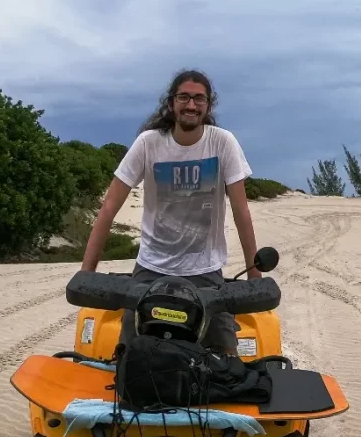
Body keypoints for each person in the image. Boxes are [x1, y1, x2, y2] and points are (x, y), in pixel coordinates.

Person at [80, 69, 261, 356]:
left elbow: (241, 210)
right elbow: (108, 209)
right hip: (151, 269)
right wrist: (86, 273)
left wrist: (255, 276)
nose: (191, 105)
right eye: (184, 97)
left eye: (199, 98)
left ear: (208, 105)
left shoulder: (222, 142)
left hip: (204, 270)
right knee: (129, 353)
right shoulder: (148, 143)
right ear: (171, 103)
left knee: (226, 354)